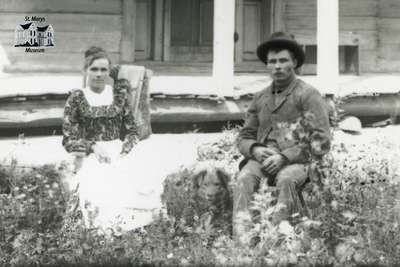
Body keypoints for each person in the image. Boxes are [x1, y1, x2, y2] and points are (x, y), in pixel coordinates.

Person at [233, 32, 331, 242]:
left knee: (286, 179)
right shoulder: (260, 97)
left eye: (283, 60)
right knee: (244, 178)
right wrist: (255, 149)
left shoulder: (307, 95)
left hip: (298, 161)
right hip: (262, 159)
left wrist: (284, 157)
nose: (277, 66)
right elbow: (244, 136)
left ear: (294, 62)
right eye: (272, 61)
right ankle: (242, 243)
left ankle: (278, 242)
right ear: (267, 65)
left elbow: (322, 140)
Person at [62, 46, 158, 232]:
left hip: (119, 150)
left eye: (103, 70)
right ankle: (103, 235)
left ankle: (127, 235)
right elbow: (69, 137)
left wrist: (125, 150)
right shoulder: (76, 98)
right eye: (94, 69)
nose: (99, 74)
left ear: (109, 71)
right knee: (99, 188)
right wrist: (92, 146)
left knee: (136, 185)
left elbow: (132, 131)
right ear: (85, 71)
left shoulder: (118, 95)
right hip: (90, 154)